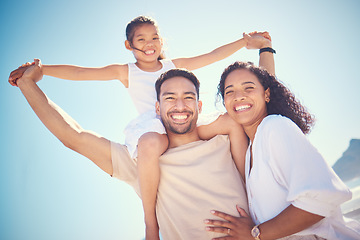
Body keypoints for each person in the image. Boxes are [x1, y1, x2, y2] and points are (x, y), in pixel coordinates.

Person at [8, 15, 274, 239]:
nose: (150, 45)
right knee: (149, 143)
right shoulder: (128, 72)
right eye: (141, 40)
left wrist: (247, 43)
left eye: (154, 38)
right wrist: (40, 71)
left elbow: (213, 56)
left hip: (201, 143)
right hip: (153, 129)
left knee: (230, 123)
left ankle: (248, 185)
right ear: (129, 45)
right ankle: (150, 222)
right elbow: (81, 73)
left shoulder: (175, 68)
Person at [204, 61, 360, 239]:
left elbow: (322, 198)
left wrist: (255, 233)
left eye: (248, 88)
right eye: (229, 91)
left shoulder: (275, 126)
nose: (239, 96)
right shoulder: (250, 151)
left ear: (266, 94)